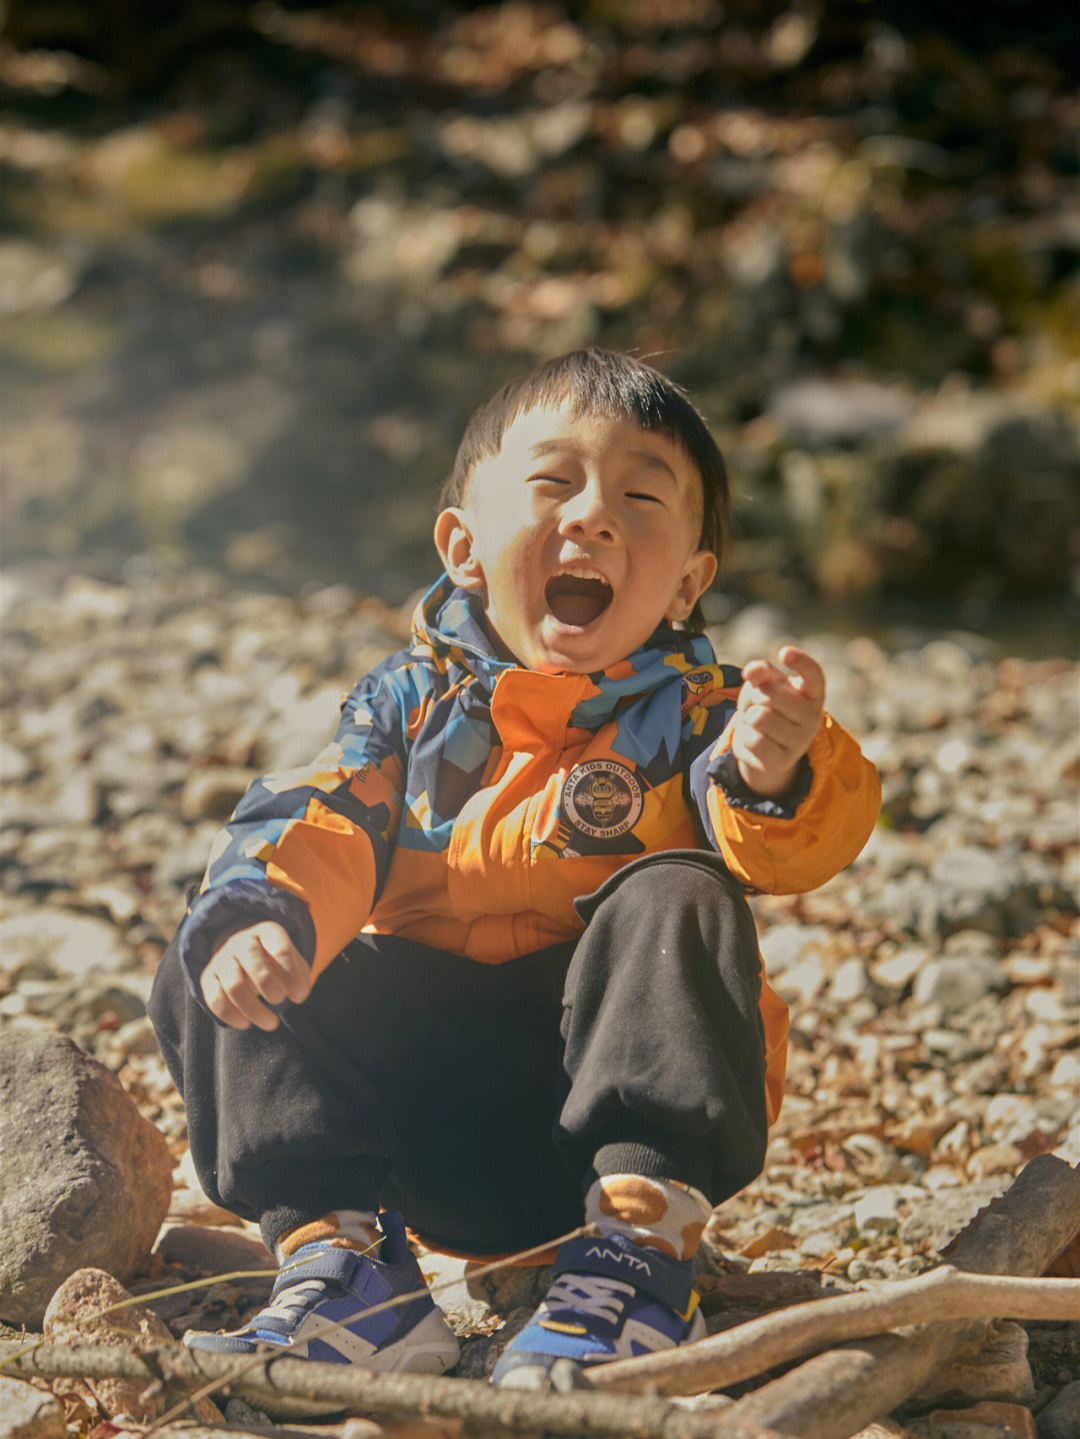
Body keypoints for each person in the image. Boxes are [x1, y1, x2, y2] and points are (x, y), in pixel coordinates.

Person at [149, 348, 881, 1393]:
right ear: (463, 548)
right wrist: (266, 915)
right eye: (553, 484)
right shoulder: (403, 711)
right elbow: (324, 817)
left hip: (595, 1116)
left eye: (639, 495)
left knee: (677, 890)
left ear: (686, 582)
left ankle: (637, 1249)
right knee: (225, 928)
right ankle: (347, 1262)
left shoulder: (700, 714)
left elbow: (801, 834)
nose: (592, 517)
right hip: (408, 1127)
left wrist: (779, 768)